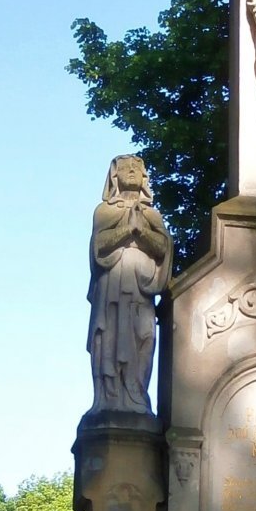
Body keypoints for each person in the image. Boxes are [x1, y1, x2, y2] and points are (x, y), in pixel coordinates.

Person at [87, 155, 172, 414]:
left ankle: (136, 396)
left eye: (138, 167)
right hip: (112, 286)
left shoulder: (152, 215)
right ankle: (109, 399)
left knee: (144, 336)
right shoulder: (104, 211)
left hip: (141, 289)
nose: (133, 170)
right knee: (109, 340)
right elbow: (99, 246)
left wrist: (141, 230)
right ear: (115, 176)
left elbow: (163, 248)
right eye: (126, 167)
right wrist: (128, 229)